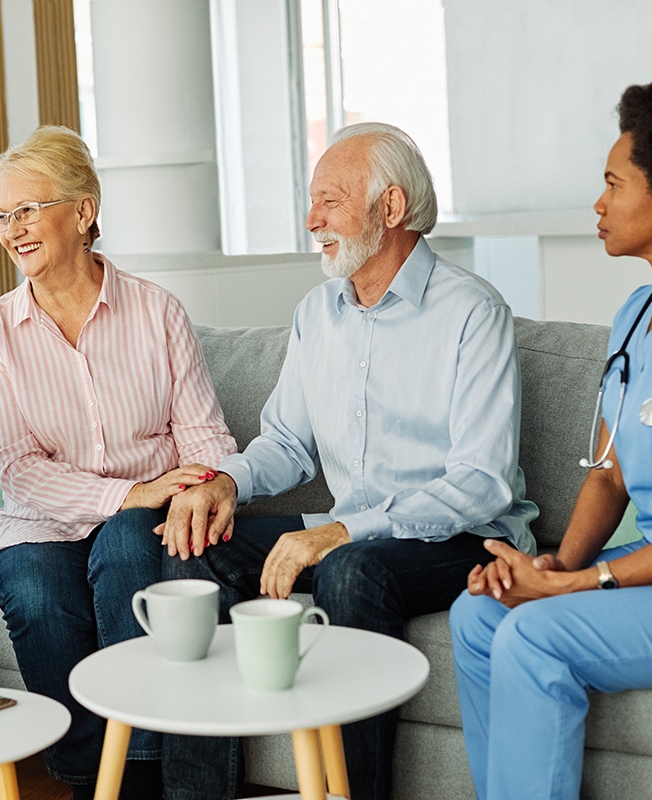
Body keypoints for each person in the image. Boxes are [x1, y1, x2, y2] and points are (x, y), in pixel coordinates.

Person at [160, 122, 539, 800]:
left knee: (353, 566)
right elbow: (286, 443)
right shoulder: (317, 314)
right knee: (195, 544)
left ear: (390, 208)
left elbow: (480, 484)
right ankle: (199, 791)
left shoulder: (472, 313)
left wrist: (341, 531)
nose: (312, 221)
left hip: (459, 540)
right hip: (350, 531)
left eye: (330, 201)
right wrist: (223, 480)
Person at [450, 77, 652, 800]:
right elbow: (608, 476)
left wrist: (578, 585)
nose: (598, 205)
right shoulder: (636, 313)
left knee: (536, 635)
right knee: (480, 613)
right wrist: (545, 568)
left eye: (613, 184)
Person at [0, 125, 239, 800]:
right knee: (34, 589)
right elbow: (21, 470)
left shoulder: (157, 313)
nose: (11, 230)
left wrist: (185, 491)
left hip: (142, 518)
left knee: (126, 552)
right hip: (44, 518)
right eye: (2, 216)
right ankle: (90, 777)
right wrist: (129, 493)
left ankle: (139, 774)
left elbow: (208, 442)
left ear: (83, 211)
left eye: (27, 210)